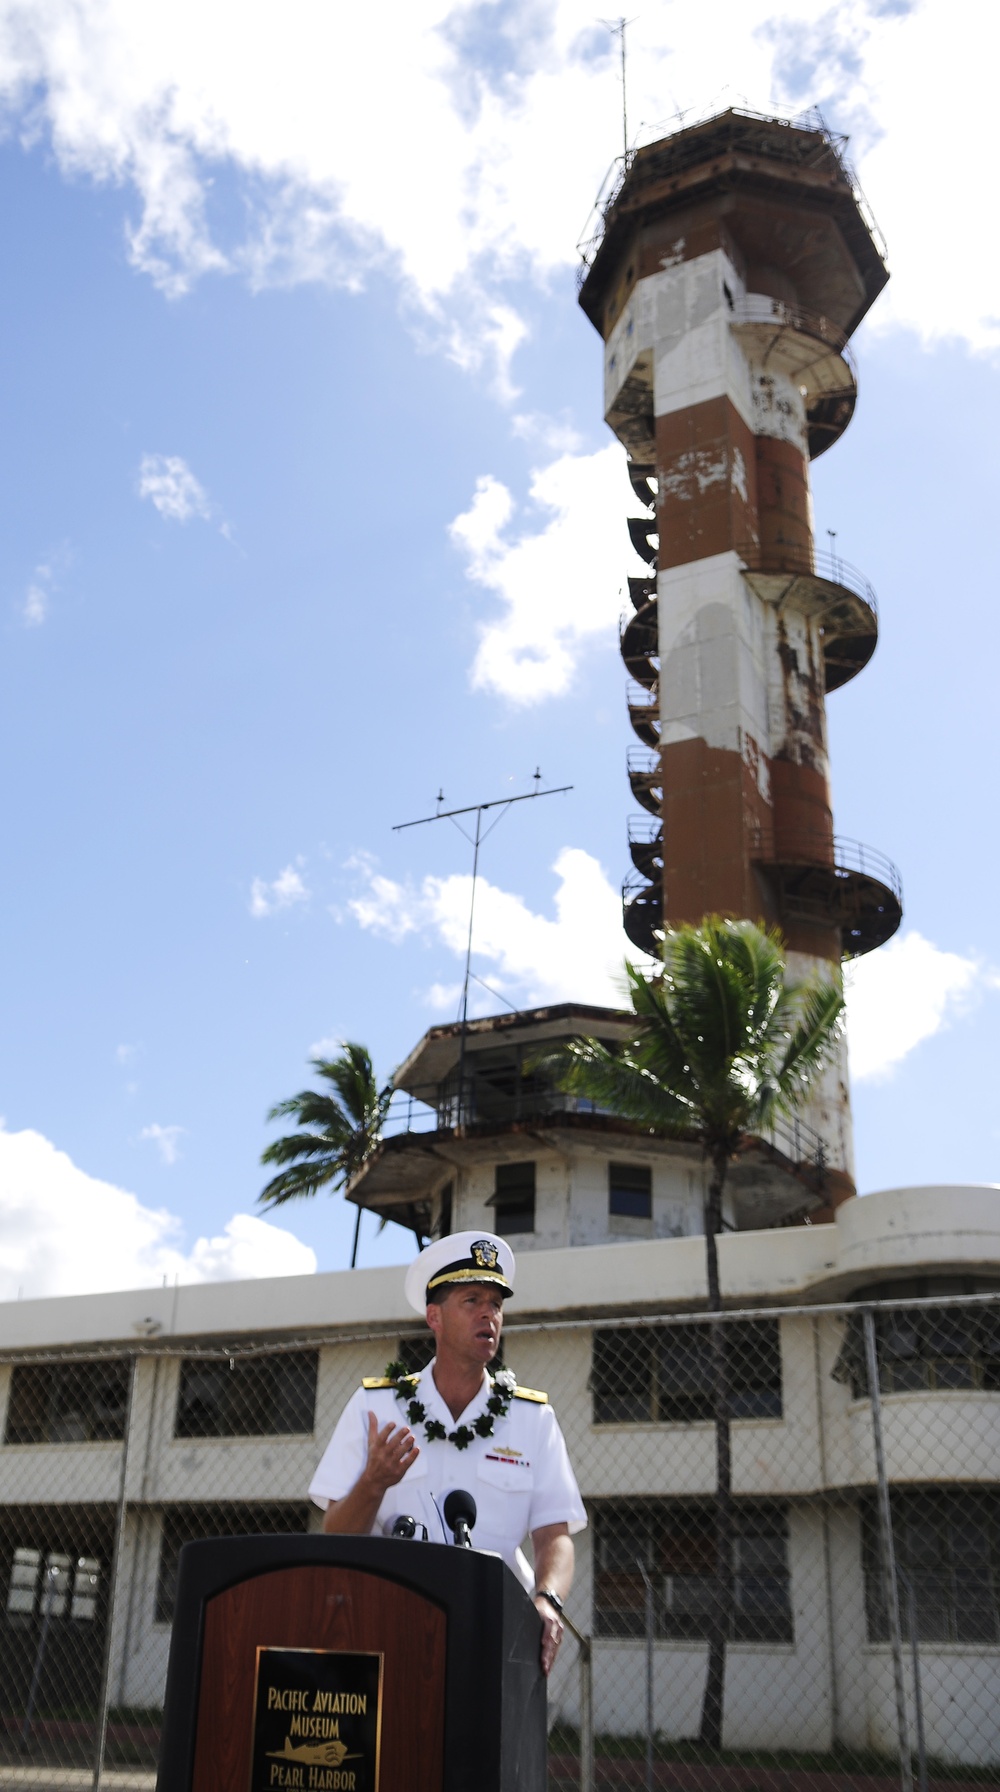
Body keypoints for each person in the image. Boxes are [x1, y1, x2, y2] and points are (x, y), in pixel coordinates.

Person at [309, 1230, 586, 1674]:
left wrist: (547, 1599)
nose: (488, 1315)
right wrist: (373, 1483)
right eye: (471, 1300)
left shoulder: (532, 1418)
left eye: (496, 1304)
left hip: (495, 1634)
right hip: (389, 1629)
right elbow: (337, 1534)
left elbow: (554, 1535)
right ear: (433, 1317)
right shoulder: (376, 1407)